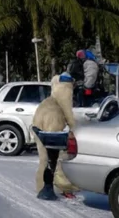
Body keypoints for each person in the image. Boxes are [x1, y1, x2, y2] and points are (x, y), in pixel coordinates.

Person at [32, 72, 79, 201]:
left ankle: (42, 187)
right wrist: (73, 127)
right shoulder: (65, 91)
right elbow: (68, 112)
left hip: (39, 125)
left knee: (44, 159)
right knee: (55, 159)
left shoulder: (50, 98)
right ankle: (62, 188)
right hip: (52, 123)